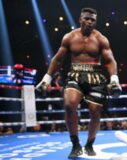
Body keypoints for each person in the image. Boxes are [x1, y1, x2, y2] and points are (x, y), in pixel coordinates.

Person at [36, 7, 122, 159]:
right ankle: (75, 144)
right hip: (75, 75)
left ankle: (89, 144)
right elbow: (57, 59)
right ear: (80, 19)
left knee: (95, 111)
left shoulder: (101, 39)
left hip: (95, 77)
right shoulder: (69, 37)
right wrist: (46, 79)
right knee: (69, 105)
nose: (89, 22)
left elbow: (110, 60)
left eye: (92, 20)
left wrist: (114, 80)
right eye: (87, 18)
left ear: (96, 22)